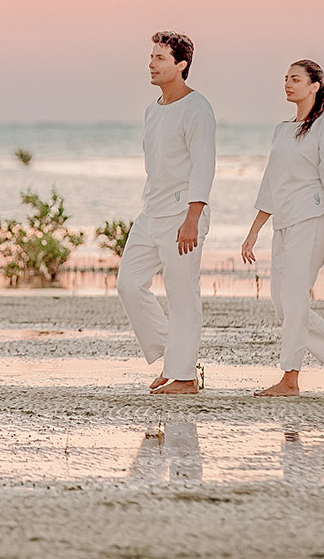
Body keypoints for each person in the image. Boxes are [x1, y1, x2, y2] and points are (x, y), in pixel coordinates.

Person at [241, 59, 324, 397]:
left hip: (313, 221)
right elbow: (271, 183)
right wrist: (254, 230)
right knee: (282, 304)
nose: (288, 84)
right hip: (283, 222)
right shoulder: (281, 130)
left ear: (315, 86)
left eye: (295, 79)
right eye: (285, 78)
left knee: (294, 301)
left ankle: (290, 379)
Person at [117, 31, 216, 394]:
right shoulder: (152, 110)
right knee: (128, 284)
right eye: (151, 57)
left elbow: (204, 167)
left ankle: (185, 377)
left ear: (181, 65)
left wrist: (192, 219)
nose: (151, 64)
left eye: (160, 58)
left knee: (182, 294)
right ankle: (174, 357)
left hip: (182, 216)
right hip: (151, 213)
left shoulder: (198, 109)